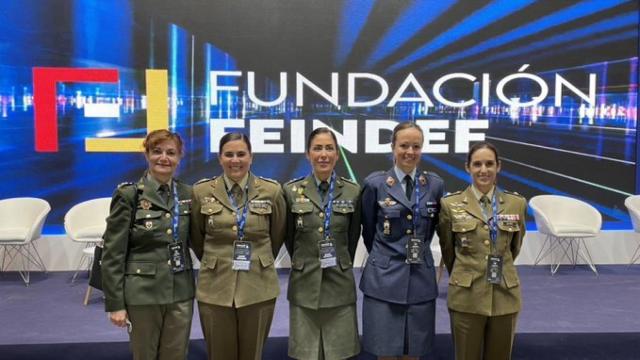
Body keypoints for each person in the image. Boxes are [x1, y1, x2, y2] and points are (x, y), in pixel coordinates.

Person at [190, 132, 286, 360]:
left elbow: (278, 235)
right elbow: (196, 237)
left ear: (251, 157)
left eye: (241, 154)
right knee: (219, 354)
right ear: (219, 158)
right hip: (215, 286)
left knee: (252, 355)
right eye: (229, 154)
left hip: (258, 285)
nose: (236, 160)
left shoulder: (271, 191)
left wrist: (258, 260)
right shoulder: (202, 192)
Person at [102, 129, 195, 360]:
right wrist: (115, 304)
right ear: (147, 155)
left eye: (171, 152)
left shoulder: (188, 193)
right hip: (142, 293)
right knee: (145, 355)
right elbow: (113, 253)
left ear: (179, 157)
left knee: (176, 355)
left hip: (180, 291)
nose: (164, 158)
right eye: (157, 151)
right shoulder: (129, 195)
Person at [360, 121, 445, 359]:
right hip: (383, 280)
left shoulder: (435, 185)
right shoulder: (375, 184)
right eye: (404, 145)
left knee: (413, 352)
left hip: (420, 279)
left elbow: (435, 229)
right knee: (385, 351)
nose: (410, 152)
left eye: (416, 146)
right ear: (393, 147)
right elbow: (368, 231)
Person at [437, 141, 527, 360]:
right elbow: (448, 251)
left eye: (489, 164)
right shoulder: (451, 204)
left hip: (505, 296)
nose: (483, 170)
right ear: (468, 167)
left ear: (499, 166)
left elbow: (514, 247)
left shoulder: (516, 203)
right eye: (477, 164)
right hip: (466, 296)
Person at [283, 127, 362, 360]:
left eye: (329, 148)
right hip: (304, 283)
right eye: (317, 148)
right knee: (306, 354)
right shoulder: (290, 191)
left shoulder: (353, 190)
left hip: (339, 283)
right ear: (308, 154)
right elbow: (289, 238)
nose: (323, 154)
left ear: (337, 154)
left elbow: (352, 237)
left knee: (342, 353)